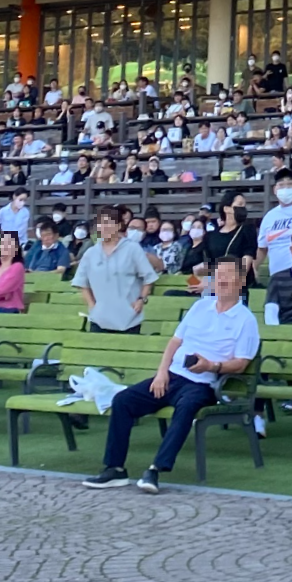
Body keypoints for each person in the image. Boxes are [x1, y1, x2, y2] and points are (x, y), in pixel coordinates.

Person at [83, 256, 258, 493]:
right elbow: (174, 343)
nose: (222, 280)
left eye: (228, 275)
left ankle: (155, 469)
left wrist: (211, 366)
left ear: (241, 280)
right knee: (123, 401)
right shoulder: (200, 306)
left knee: (185, 408)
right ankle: (114, 469)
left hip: (203, 383)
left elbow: (240, 364)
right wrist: (161, 373)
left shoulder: (246, 320)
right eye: (218, 275)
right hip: (172, 376)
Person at [73, 207, 157, 335]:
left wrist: (141, 299)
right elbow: (82, 283)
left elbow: (149, 278)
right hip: (99, 320)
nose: (104, 228)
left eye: (108, 224)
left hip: (128, 319)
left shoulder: (133, 249)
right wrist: (92, 306)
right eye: (101, 224)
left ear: (118, 226)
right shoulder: (91, 253)